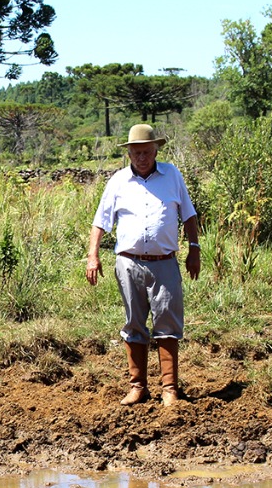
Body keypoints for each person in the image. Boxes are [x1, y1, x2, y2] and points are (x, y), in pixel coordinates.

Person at [86, 124, 201, 406]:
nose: (142, 157)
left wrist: (194, 248)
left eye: (147, 152)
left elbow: (188, 214)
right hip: (129, 263)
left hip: (165, 263)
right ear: (129, 153)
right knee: (134, 323)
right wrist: (93, 254)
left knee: (168, 324)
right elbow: (101, 220)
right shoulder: (118, 181)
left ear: (155, 150)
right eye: (136, 152)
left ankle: (169, 389)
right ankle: (137, 386)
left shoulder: (172, 175)